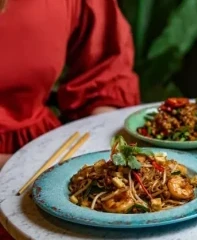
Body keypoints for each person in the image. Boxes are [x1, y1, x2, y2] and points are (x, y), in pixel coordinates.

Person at [0, 1, 140, 238]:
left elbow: (105, 69)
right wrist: (19, 167)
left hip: (45, 157)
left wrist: (99, 148)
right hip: (28, 165)